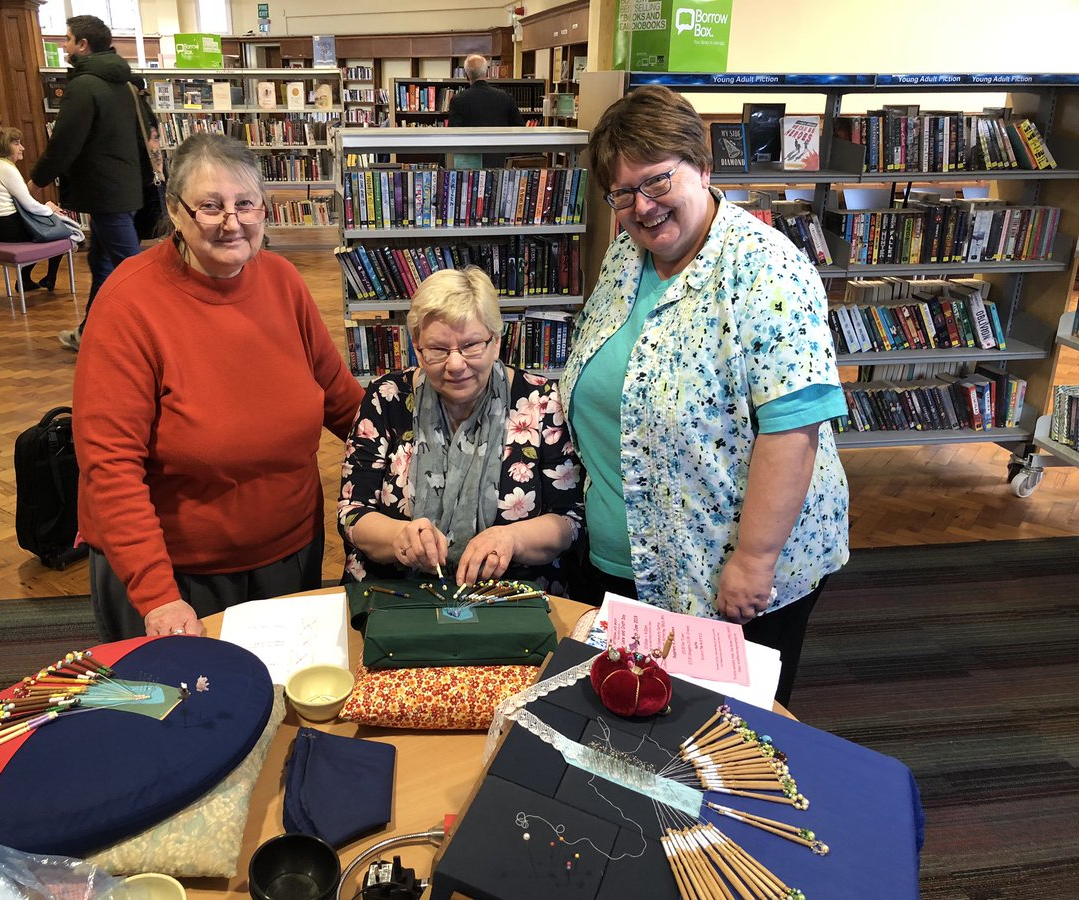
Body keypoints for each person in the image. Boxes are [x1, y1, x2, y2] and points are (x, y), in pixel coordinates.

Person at [559, 86, 849, 706]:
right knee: (627, 730)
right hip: (632, 555)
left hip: (723, 572)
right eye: (623, 193)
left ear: (703, 167)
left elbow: (794, 428)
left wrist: (754, 561)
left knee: (717, 741)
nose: (642, 206)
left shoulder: (766, 269)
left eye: (658, 182)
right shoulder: (626, 254)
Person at [73, 133, 364, 641]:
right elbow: (110, 466)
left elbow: (341, 401)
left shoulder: (283, 281)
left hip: (289, 554)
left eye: (246, 204)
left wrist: (416, 454)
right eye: (211, 206)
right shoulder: (127, 303)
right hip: (179, 575)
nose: (233, 222)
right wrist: (157, 592)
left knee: (288, 709)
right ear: (176, 212)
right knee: (189, 714)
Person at [338, 267, 584, 594]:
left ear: (496, 342)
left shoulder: (540, 403)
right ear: (417, 346)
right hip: (394, 596)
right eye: (438, 349)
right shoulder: (387, 398)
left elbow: (569, 520)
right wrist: (398, 537)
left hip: (511, 596)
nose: (455, 365)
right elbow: (352, 513)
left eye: (471, 345)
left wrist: (512, 538)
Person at [30, 14, 142, 352]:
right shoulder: (124, 82)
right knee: (102, 263)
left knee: (133, 269)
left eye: (66, 39)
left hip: (104, 191)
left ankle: (161, 336)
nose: (62, 46)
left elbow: (65, 141)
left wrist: (38, 179)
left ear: (83, 44)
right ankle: (89, 332)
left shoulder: (84, 85)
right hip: (125, 186)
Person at [0, 127, 65, 293]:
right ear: (4, 146)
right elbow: (29, 204)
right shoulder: (6, 169)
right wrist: (49, 209)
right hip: (6, 226)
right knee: (58, 231)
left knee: (40, 229)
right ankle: (49, 277)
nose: (22, 147)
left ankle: (25, 280)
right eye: (16, 143)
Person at [447, 55, 524, 127]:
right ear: (487, 73)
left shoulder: (458, 100)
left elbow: (454, 133)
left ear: (467, 76)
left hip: (471, 141)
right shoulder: (505, 97)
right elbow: (519, 127)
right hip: (499, 141)